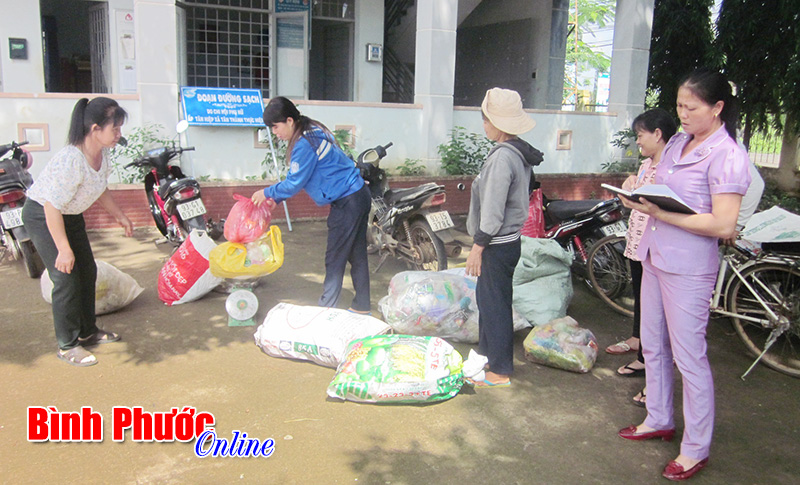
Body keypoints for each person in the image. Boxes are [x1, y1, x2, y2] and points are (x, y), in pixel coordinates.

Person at [617, 69, 751, 481]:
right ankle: (658, 418)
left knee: (689, 357)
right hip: (654, 255)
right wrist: (637, 188)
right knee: (653, 345)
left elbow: (723, 224)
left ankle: (695, 448)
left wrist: (661, 213)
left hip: (689, 268)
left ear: (718, 107)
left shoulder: (728, 155)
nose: (683, 114)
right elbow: (658, 181)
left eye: (691, 107)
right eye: (679, 106)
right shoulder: (677, 142)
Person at [23, 97, 132, 367]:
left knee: (88, 270)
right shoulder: (72, 160)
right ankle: (68, 345)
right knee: (66, 277)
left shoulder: (102, 155)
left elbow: (100, 188)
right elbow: (51, 207)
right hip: (43, 216)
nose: (118, 134)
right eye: (115, 128)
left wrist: (119, 215)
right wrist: (63, 248)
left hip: (69, 217)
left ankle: (87, 331)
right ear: (95, 129)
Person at [251, 96, 371, 313]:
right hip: (358, 194)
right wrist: (276, 199)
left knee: (335, 259)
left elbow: (294, 183)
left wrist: (267, 193)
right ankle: (362, 307)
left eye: (276, 127)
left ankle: (326, 312)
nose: (275, 133)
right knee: (357, 255)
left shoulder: (304, 144)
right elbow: (301, 178)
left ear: (289, 121)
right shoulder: (312, 131)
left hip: (348, 201)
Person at [465, 87, 542, 388]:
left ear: (498, 123)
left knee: (495, 306)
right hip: (509, 241)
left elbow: (493, 211)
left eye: (486, 119)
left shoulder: (502, 158)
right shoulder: (519, 152)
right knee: (490, 302)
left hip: (496, 243)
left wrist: (477, 247)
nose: (484, 125)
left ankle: (499, 371)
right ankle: (488, 357)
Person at [605, 109, 677, 396]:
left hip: (659, 247)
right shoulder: (647, 164)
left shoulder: (673, 167)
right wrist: (629, 186)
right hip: (639, 243)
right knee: (644, 303)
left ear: (658, 134)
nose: (637, 141)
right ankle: (643, 353)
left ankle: (655, 372)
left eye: (640, 135)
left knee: (659, 314)